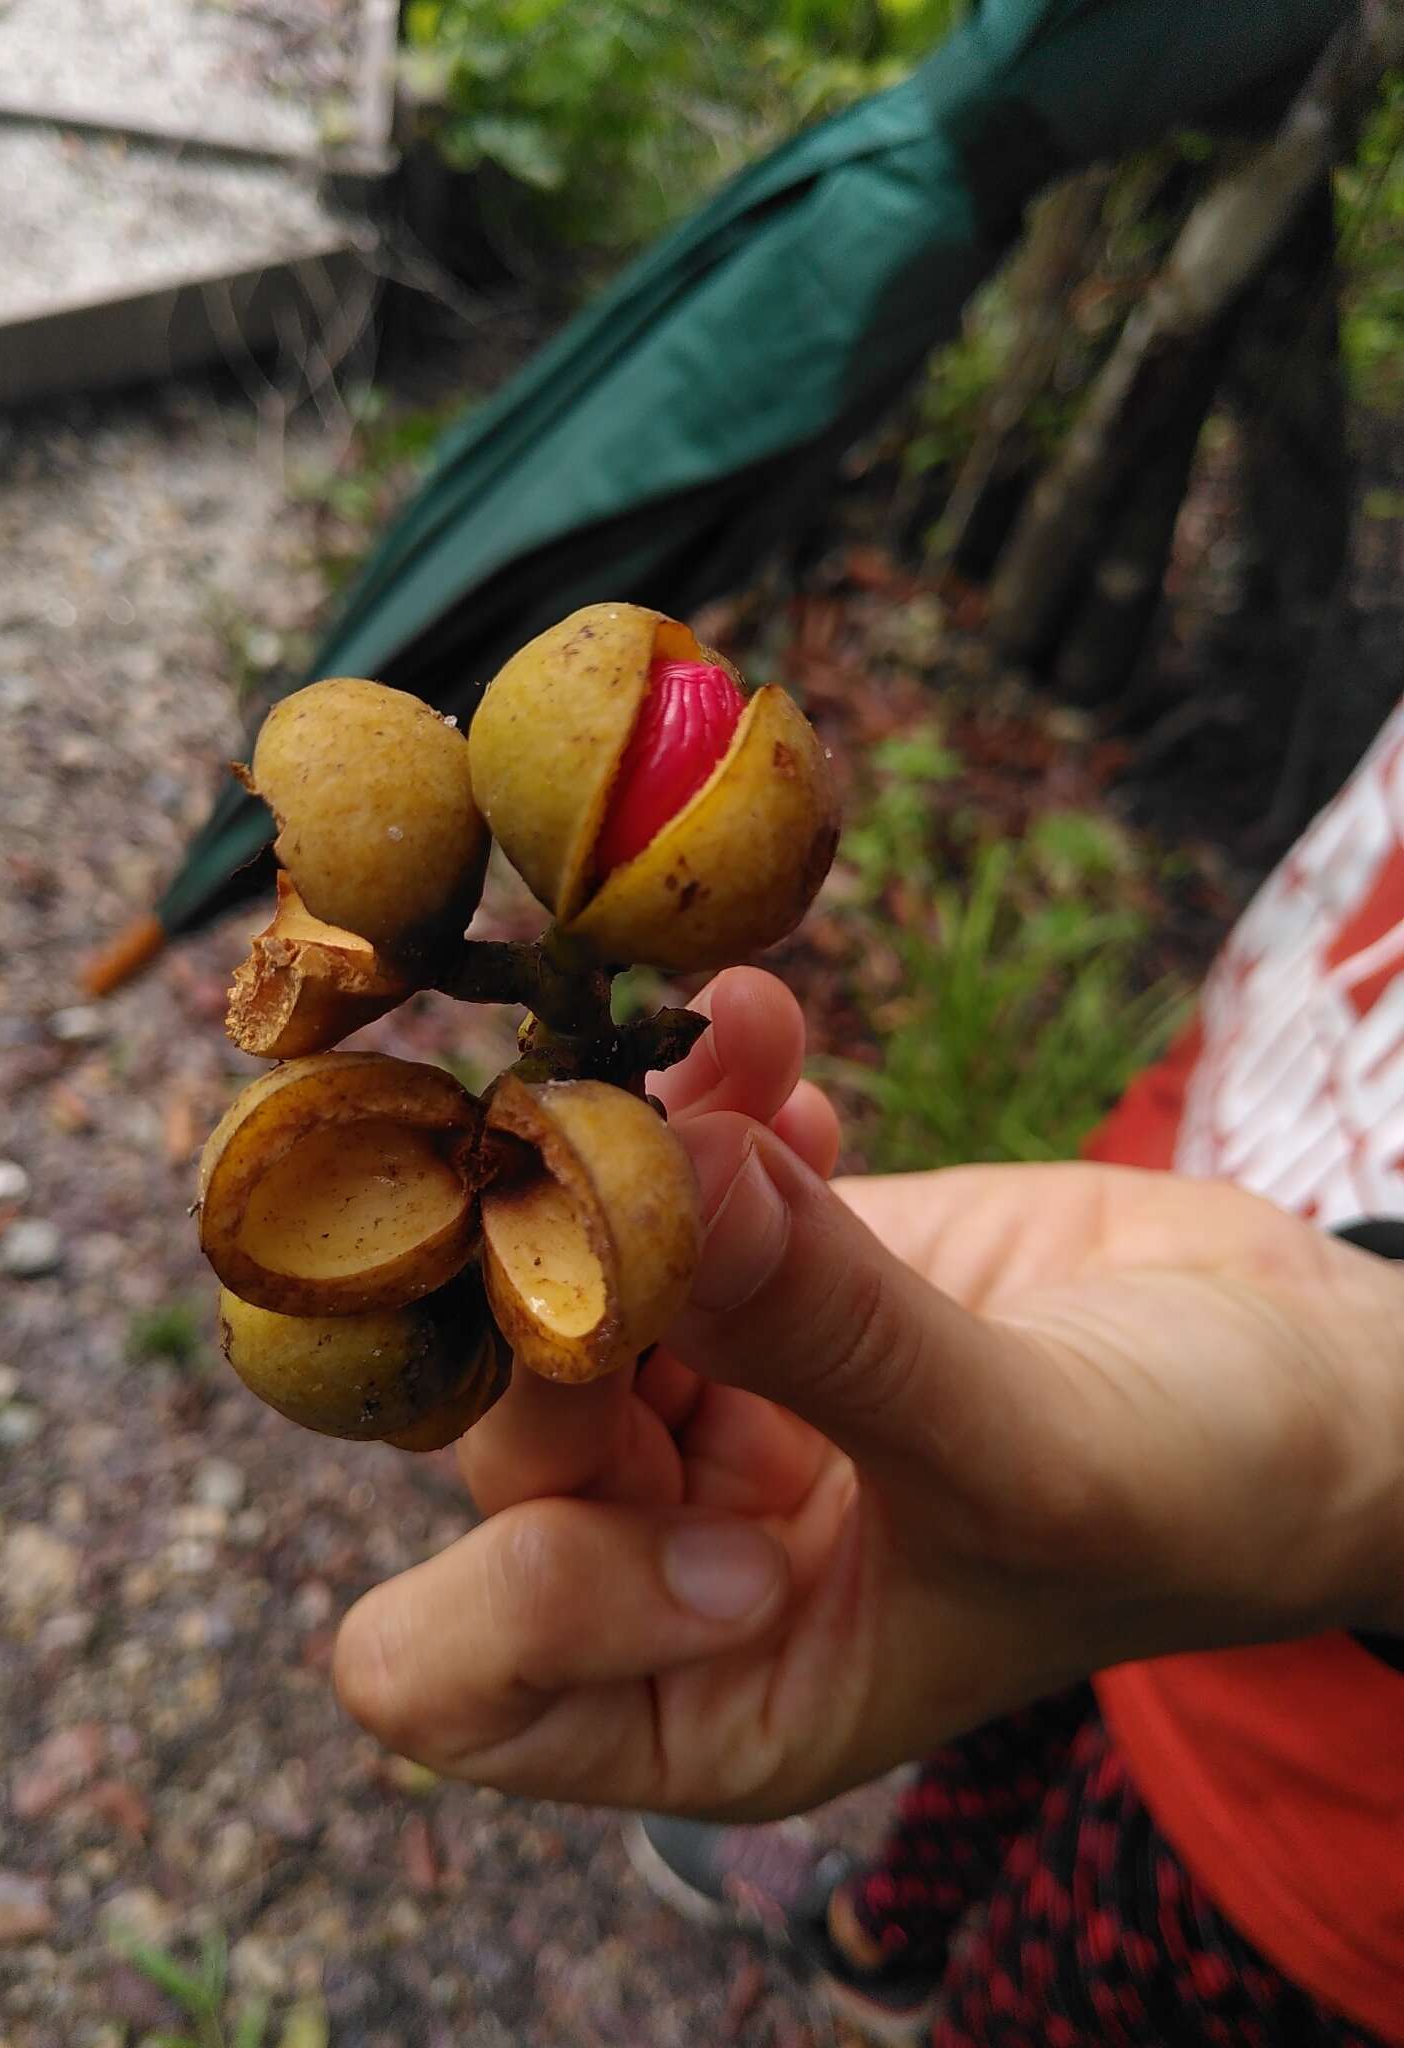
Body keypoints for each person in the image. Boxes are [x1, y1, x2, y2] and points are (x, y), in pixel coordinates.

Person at [332, 699, 1404, 2046]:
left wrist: (1373, 1428)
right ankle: (873, 1936)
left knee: (1042, 1995)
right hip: (1127, 1346)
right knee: (986, 1746)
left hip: (1317, 1851)